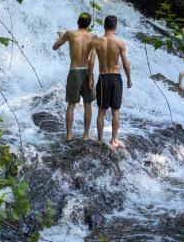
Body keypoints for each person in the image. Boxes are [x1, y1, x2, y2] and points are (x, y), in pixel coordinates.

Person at [89, 15, 132, 148]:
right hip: (116, 78)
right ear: (115, 27)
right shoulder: (120, 43)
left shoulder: (96, 42)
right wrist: (129, 79)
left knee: (101, 111)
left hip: (103, 78)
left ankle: (100, 139)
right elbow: (125, 65)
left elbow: (91, 61)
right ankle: (114, 140)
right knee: (116, 111)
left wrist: (90, 77)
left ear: (104, 25)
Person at [53, 12, 96, 141]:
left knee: (71, 104)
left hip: (74, 71)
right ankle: (86, 135)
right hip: (88, 71)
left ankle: (69, 135)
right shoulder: (93, 36)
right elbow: (92, 60)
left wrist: (62, 37)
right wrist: (91, 78)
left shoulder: (70, 34)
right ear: (88, 25)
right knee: (88, 104)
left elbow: (55, 47)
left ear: (78, 22)